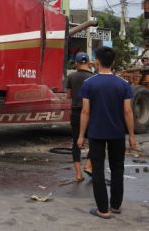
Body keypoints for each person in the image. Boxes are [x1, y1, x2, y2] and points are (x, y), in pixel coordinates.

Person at [77, 46, 137, 219]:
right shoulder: (123, 84)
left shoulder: (89, 84)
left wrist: (81, 135)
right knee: (117, 168)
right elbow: (128, 112)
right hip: (118, 134)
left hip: (96, 134)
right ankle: (116, 206)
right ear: (114, 62)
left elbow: (85, 112)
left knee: (98, 170)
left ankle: (103, 209)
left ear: (97, 61)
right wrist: (132, 136)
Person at [66, 52, 93, 181]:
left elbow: (68, 96)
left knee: (76, 142)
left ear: (76, 63)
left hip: (76, 113)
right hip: (91, 113)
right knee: (95, 140)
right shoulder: (93, 78)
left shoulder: (71, 77)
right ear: (88, 62)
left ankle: (78, 174)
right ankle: (88, 164)